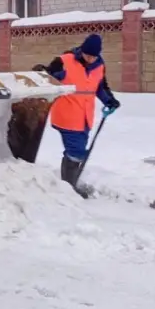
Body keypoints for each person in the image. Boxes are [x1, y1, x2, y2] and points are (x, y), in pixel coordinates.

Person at [36, 33, 120, 191]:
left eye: (93, 57)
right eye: (87, 56)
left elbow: (100, 87)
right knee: (76, 151)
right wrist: (41, 72)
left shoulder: (99, 66)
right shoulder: (64, 61)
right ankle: (69, 187)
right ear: (82, 50)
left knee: (77, 152)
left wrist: (109, 100)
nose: (90, 59)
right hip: (67, 115)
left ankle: (68, 185)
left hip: (85, 118)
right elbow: (48, 76)